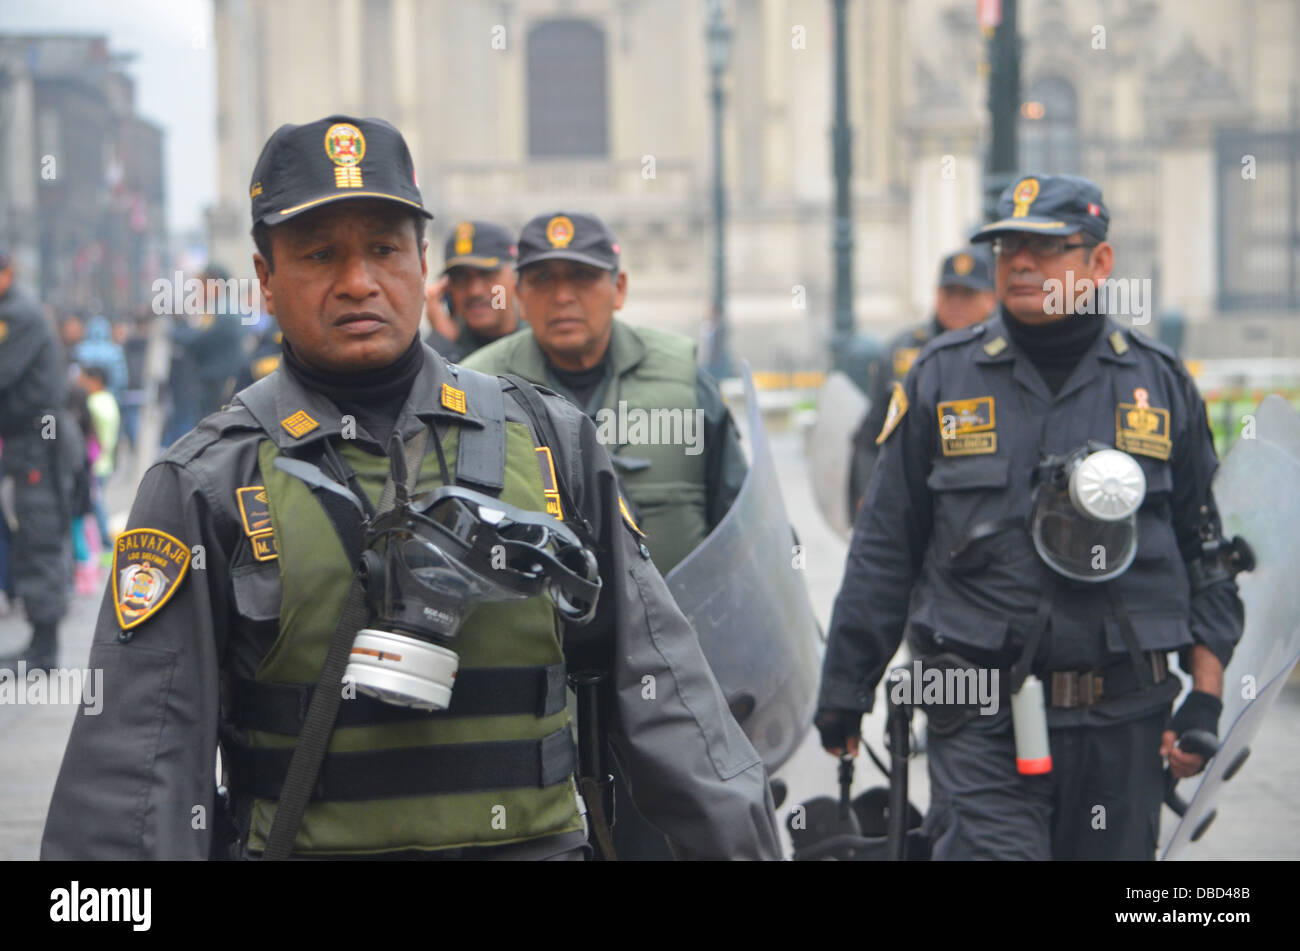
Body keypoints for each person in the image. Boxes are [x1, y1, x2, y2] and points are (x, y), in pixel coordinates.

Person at [41, 115, 780, 861]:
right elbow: (135, 778)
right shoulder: (206, 483)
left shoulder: (551, 443)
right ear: (266, 279)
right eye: (321, 253)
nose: (358, 281)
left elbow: (670, 701)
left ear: (420, 261)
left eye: (384, 249)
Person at [814, 174, 1245, 860]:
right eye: (1007, 245)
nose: (1019, 261)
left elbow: (1206, 553)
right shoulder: (939, 376)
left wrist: (1206, 698)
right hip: (977, 709)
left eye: (1044, 247)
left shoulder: (1159, 385)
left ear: (1099, 263)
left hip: (1124, 717)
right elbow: (884, 546)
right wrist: (845, 686)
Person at [464, 211, 747, 576]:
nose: (563, 296)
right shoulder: (479, 384)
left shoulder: (682, 378)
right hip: (541, 629)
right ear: (519, 296)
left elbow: (741, 519)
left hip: (678, 624)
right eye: (543, 279)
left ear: (620, 288)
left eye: (584, 277)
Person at [848, 247, 995, 514]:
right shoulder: (900, 350)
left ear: (991, 300)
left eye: (968, 295)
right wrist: (865, 494)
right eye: (950, 293)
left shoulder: (1003, 351)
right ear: (936, 295)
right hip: (909, 494)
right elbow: (871, 434)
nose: (957, 303)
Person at [0, 248, 84, 671]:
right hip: (25, 441)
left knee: (38, 535)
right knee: (28, 535)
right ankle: (39, 642)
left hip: (37, 440)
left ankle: (44, 649)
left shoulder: (17, 314)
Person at [422, 219, 524, 362]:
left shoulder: (542, 339)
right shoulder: (440, 348)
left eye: (487, 274)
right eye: (461, 278)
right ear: (446, 289)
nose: (474, 291)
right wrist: (442, 341)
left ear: (515, 278)